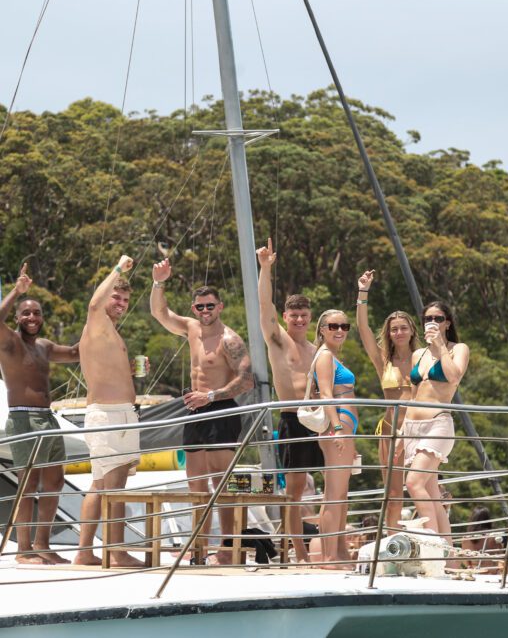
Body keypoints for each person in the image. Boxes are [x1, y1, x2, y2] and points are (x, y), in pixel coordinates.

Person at [150, 258, 254, 565]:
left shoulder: (229, 340)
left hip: (220, 410)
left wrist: (211, 395)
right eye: (200, 307)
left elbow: (246, 380)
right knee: (195, 483)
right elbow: (160, 313)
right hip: (194, 412)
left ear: (220, 307)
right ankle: (198, 550)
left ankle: (227, 550)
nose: (205, 312)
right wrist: (159, 282)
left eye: (210, 306)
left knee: (222, 483)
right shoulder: (191, 329)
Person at [0, 263, 79, 564]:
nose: (32, 318)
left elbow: (75, 354)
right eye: (26, 313)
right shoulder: (9, 342)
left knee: (55, 482)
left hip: (49, 419)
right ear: (18, 317)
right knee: (28, 483)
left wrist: (101, 319)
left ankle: (42, 545)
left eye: (37, 313)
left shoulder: (44, 346)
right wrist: (17, 292)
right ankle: (23, 551)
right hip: (23, 418)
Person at [256, 238, 323, 563]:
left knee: (333, 486)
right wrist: (265, 269)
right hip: (292, 419)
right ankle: (298, 554)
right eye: (293, 315)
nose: (298, 320)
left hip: (319, 421)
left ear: (310, 318)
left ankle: (329, 547)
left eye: (303, 316)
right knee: (295, 490)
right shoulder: (278, 342)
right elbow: (263, 308)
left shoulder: (317, 351)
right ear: (285, 317)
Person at [73, 255, 143, 567]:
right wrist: (117, 269)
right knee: (113, 488)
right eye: (117, 296)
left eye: (126, 299)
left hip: (117, 414)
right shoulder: (97, 320)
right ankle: (116, 552)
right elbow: (92, 304)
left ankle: (85, 552)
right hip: (110, 416)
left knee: (101, 486)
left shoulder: (110, 331)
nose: (121, 302)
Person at [399, 301, 469, 543]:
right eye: (429, 319)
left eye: (438, 318)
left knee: (414, 482)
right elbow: (412, 393)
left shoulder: (458, 349)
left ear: (447, 322)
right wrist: (401, 430)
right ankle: (448, 558)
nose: (433, 323)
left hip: (438, 423)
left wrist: (440, 345)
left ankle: (430, 546)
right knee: (432, 493)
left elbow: (454, 376)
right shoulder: (418, 354)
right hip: (412, 426)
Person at [356, 269, 419, 533]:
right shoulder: (384, 360)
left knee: (423, 490)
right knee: (393, 496)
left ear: (412, 330)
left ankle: (432, 543)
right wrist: (363, 292)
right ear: (389, 333)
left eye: (403, 328)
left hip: (418, 430)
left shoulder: (424, 357)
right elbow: (363, 328)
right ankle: (392, 542)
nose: (399, 332)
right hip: (390, 431)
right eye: (394, 329)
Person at [313, 309, 357, 569]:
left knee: (342, 494)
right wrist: (338, 427)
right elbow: (326, 394)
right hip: (337, 425)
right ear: (322, 329)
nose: (339, 330)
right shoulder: (325, 356)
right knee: (333, 494)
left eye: (344, 325)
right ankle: (330, 556)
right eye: (333, 326)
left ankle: (340, 552)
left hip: (345, 426)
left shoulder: (333, 356)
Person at [461, 507, 502, 574]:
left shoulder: (465, 538)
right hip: (490, 573)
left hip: (473, 573)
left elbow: (466, 562)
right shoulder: (492, 537)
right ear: (488, 519)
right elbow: (501, 558)